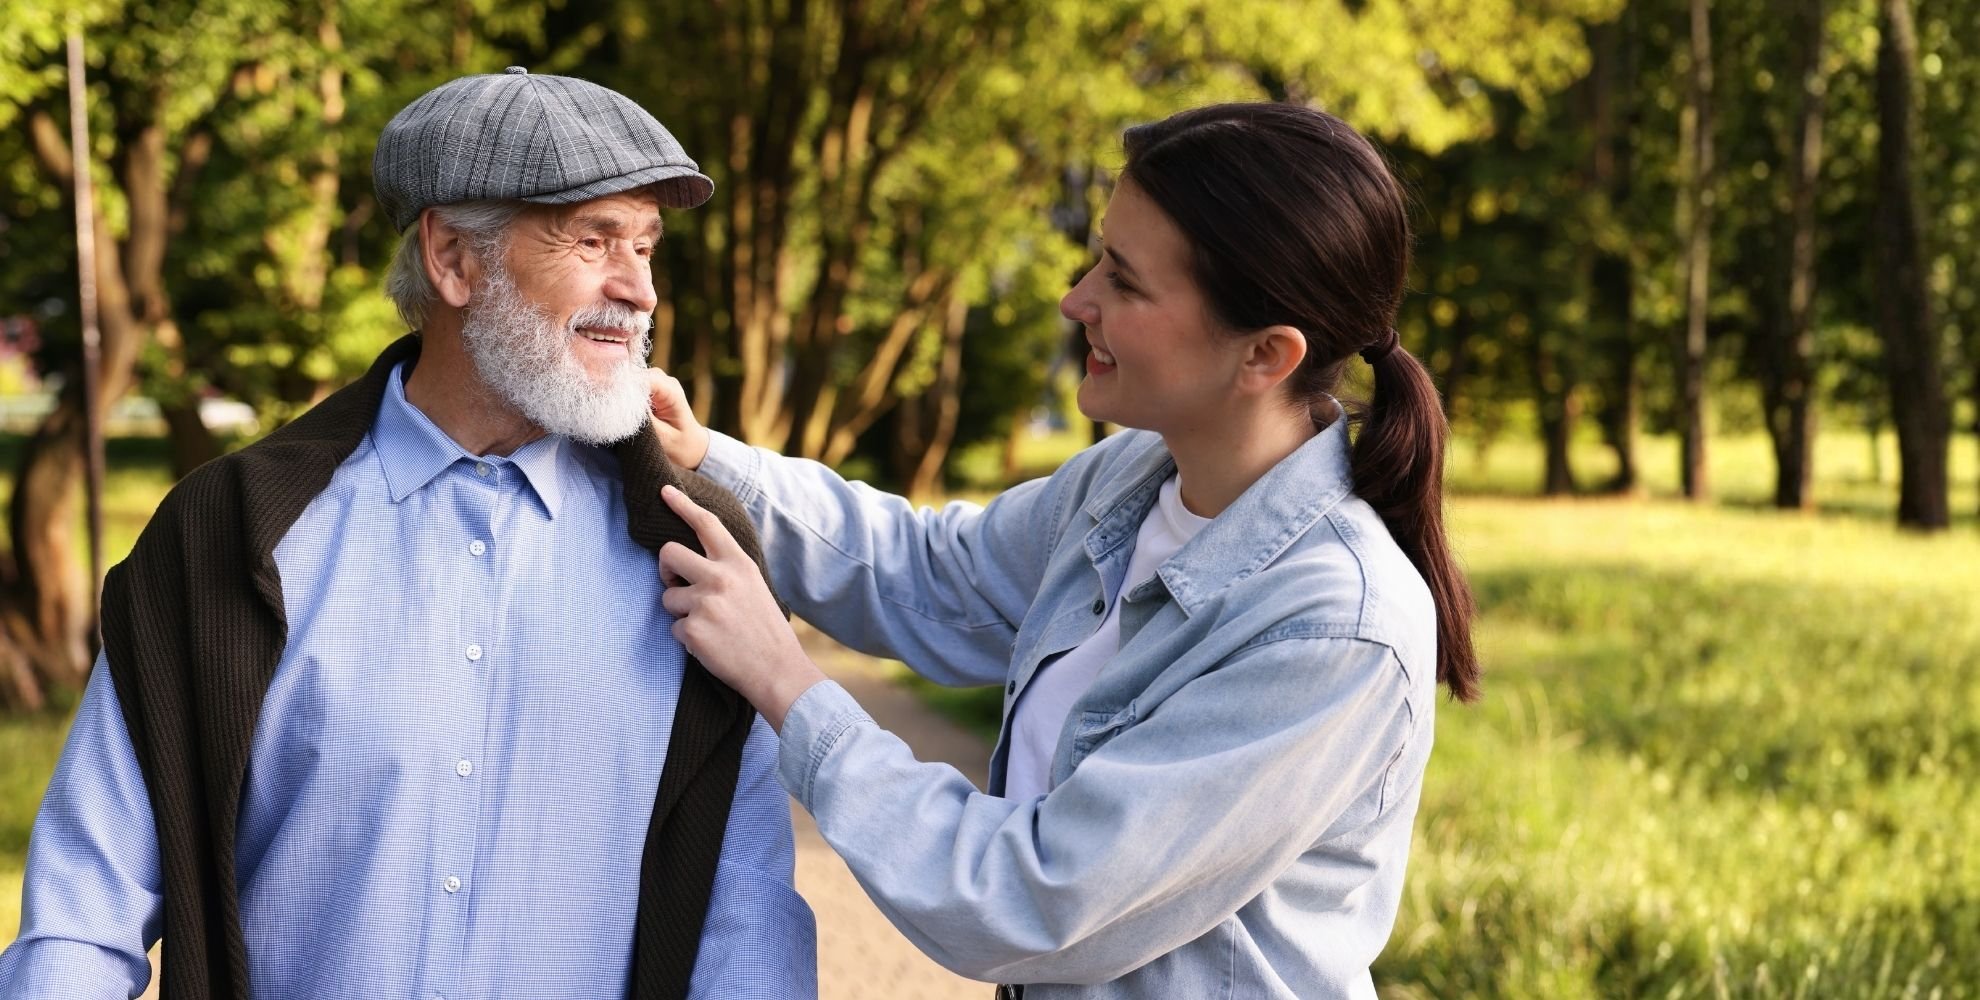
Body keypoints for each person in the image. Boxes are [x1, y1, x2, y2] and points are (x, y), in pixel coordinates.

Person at [0, 68, 814, 1000]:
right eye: (593, 241)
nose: (637, 290)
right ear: (452, 261)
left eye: (646, 246)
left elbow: (745, 916)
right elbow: (82, 912)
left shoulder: (699, 552)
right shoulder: (225, 539)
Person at [644, 102, 1480, 999]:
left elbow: (1029, 901)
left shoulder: (1332, 630)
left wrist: (789, 687)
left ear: (1266, 354)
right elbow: (933, 575)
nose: (1074, 298)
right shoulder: (1128, 481)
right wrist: (710, 458)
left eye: (1124, 282)